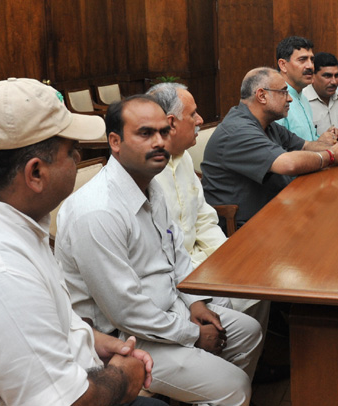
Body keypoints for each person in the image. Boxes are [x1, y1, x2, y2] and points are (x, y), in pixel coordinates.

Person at [0, 78, 162, 406]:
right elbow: (71, 402)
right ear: (35, 173)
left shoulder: (0, 216)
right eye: (69, 151)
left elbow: (33, 324)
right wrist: (125, 374)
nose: (78, 156)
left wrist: (90, 339)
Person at [54, 95, 263, 405]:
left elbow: (177, 253)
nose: (160, 142)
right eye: (145, 133)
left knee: (249, 331)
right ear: (115, 141)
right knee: (235, 387)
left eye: (164, 132)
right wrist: (193, 335)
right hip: (125, 338)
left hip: (169, 311)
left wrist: (196, 303)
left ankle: (200, 391)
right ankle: (218, 391)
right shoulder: (98, 211)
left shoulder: (151, 184)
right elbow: (125, 311)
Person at [146, 82, 268, 330]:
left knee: (259, 283)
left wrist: (227, 260)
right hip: (172, 276)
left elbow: (204, 218)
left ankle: (247, 359)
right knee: (235, 305)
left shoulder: (184, 158)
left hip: (201, 261)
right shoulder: (145, 172)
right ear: (171, 123)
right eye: (193, 114)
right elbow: (161, 251)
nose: (200, 119)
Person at [201, 67, 338, 230]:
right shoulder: (238, 130)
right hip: (247, 227)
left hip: (278, 210)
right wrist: (332, 155)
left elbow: (306, 145)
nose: (290, 99)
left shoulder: (267, 124)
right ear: (262, 96)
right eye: (284, 92)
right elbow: (288, 164)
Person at [274, 36, 338, 141]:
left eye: (312, 60)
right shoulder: (275, 100)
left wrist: (324, 139)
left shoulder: (303, 98)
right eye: (302, 60)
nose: (310, 66)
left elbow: (309, 142)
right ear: (283, 65)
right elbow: (279, 152)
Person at [303, 52, 338, 136]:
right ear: (312, 76)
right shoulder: (303, 101)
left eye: (337, 76)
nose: (334, 81)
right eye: (327, 76)